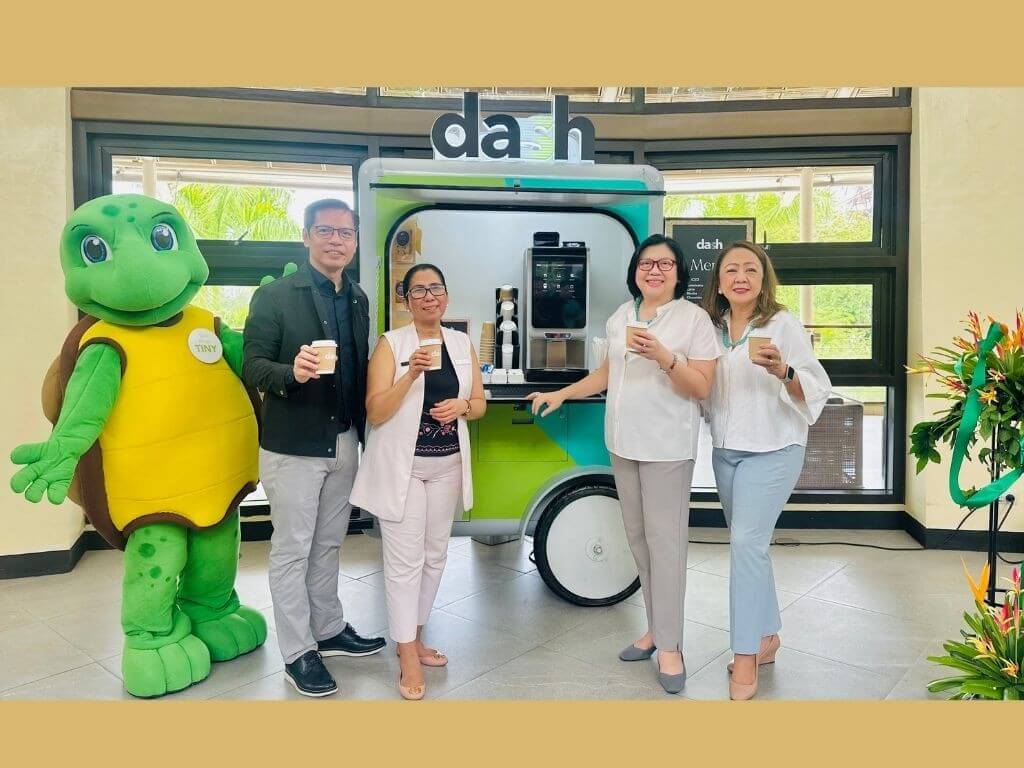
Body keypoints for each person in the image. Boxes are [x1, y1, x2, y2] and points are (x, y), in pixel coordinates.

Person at [529, 234, 719, 694]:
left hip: (667, 447)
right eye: (647, 263)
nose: (654, 270)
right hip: (623, 443)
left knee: (666, 545)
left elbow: (702, 387)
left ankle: (672, 645)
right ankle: (657, 629)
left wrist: (665, 357)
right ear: (635, 269)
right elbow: (605, 374)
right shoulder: (622, 316)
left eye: (665, 264)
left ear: (679, 273)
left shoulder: (693, 320)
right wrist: (561, 393)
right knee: (639, 541)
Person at [243, 199, 385, 698]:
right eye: (325, 231)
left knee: (328, 545)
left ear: (354, 241)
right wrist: (291, 372)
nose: (335, 241)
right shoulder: (276, 297)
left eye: (345, 233)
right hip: (294, 446)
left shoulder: (359, 298)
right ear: (306, 237)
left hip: (344, 440)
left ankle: (328, 631)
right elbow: (253, 365)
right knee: (291, 550)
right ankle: (298, 652)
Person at [701, 241, 831, 700]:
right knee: (751, 548)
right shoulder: (710, 329)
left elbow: (817, 387)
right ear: (719, 280)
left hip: (775, 449)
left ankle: (744, 655)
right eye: (731, 269)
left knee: (743, 545)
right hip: (726, 452)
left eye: (750, 269)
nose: (740, 276)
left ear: (763, 279)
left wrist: (784, 370)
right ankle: (768, 634)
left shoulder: (783, 325)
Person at [350, 264, 485, 700]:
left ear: (446, 297)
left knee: (434, 556)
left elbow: (480, 403)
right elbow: (375, 411)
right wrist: (411, 374)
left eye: (436, 289)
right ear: (406, 300)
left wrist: (463, 405)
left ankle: (417, 635)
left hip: (446, 466)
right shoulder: (392, 345)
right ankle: (406, 653)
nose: (429, 296)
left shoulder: (463, 343)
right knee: (404, 563)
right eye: (419, 290)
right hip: (403, 470)